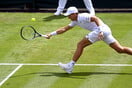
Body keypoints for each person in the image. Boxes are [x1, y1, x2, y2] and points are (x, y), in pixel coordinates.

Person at [45, 7, 132, 74]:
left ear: (75, 13)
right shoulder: (75, 21)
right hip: (105, 31)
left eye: (69, 15)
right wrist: (51, 34)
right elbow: (64, 29)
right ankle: (70, 66)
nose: (68, 17)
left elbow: (96, 19)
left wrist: (100, 31)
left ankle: (70, 66)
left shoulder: (83, 16)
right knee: (120, 50)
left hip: (100, 31)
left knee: (80, 44)